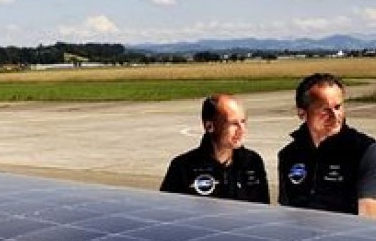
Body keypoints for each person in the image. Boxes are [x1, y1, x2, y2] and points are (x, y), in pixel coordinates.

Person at [278, 73, 376, 217]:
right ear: (302, 113)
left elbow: (369, 218)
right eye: (325, 110)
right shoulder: (288, 155)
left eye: (338, 107)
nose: (335, 116)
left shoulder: (366, 151)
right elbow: (286, 210)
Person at [160, 94, 270, 203]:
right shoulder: (182, 167)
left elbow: (263, 211)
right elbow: (167, 212)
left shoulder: (252, 162)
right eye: (233, 124)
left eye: (243, 122)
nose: (242, 130)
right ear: (209, 126)